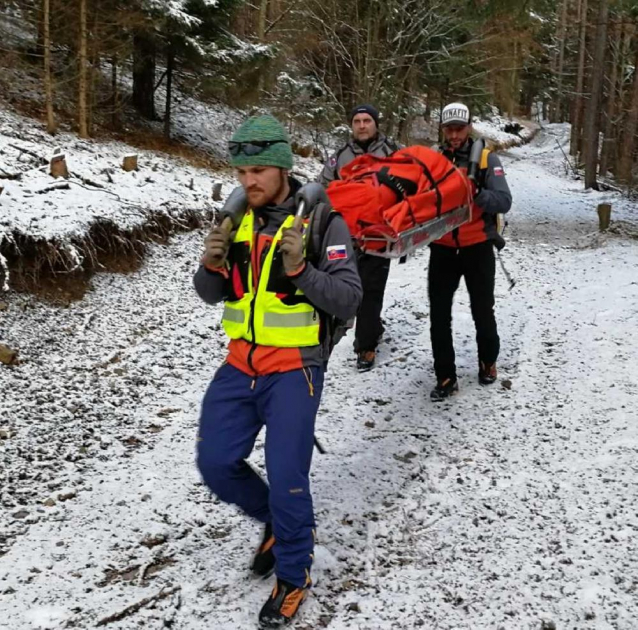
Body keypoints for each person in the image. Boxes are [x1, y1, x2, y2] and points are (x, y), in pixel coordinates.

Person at [193, 114, 362, 627]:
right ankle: (274, 521)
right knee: (216, 462)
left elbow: (350, 297)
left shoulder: (322, 222)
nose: (249, 182)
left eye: (261, 171)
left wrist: (300, 271)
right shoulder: (237, 219)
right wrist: (210, 266)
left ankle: (292, 574)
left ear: (283, 167)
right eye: (243, 173)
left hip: (294, 369)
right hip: (240, 363)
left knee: (290, 477)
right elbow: (208, 294)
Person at [429, 102, 512, 401]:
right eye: (448, 129)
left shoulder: (489, 159)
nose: (453, 135)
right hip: (441, 248)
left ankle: (488, 361)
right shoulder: (434, 160)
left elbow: (504, 201)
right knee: (439, 315)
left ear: (468, 127)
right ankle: (445, 376)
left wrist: (477, 193)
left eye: (459, 129)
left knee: (482, 310)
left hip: (477, 246)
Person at [319, 104, 402, 372]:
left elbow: (410, 189)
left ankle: (365, 346)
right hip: (345, 234)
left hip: (379, 235)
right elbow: (322, 186)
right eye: (357, 121)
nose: (362, 125)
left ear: (376, 124)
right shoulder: (340, 156)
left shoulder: (393, 154)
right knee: (341, 285)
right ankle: (364, 329)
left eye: (367, 120)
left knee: (371, 291)